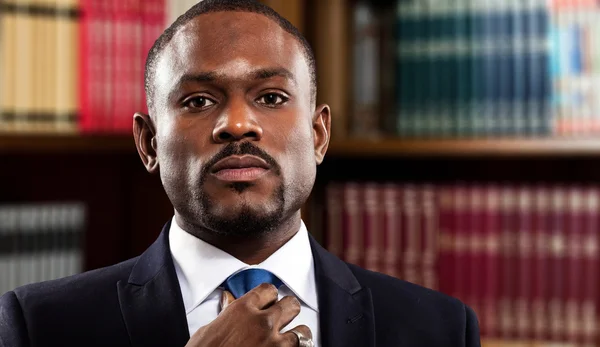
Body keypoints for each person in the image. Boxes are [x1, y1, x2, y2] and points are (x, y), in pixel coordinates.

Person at [0, 0, 481, 346]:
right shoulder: (39, 326)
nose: (236, 124)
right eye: (198, 101)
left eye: (270, 97)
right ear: (148, 144)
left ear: (319, 135)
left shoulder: (441, 329)